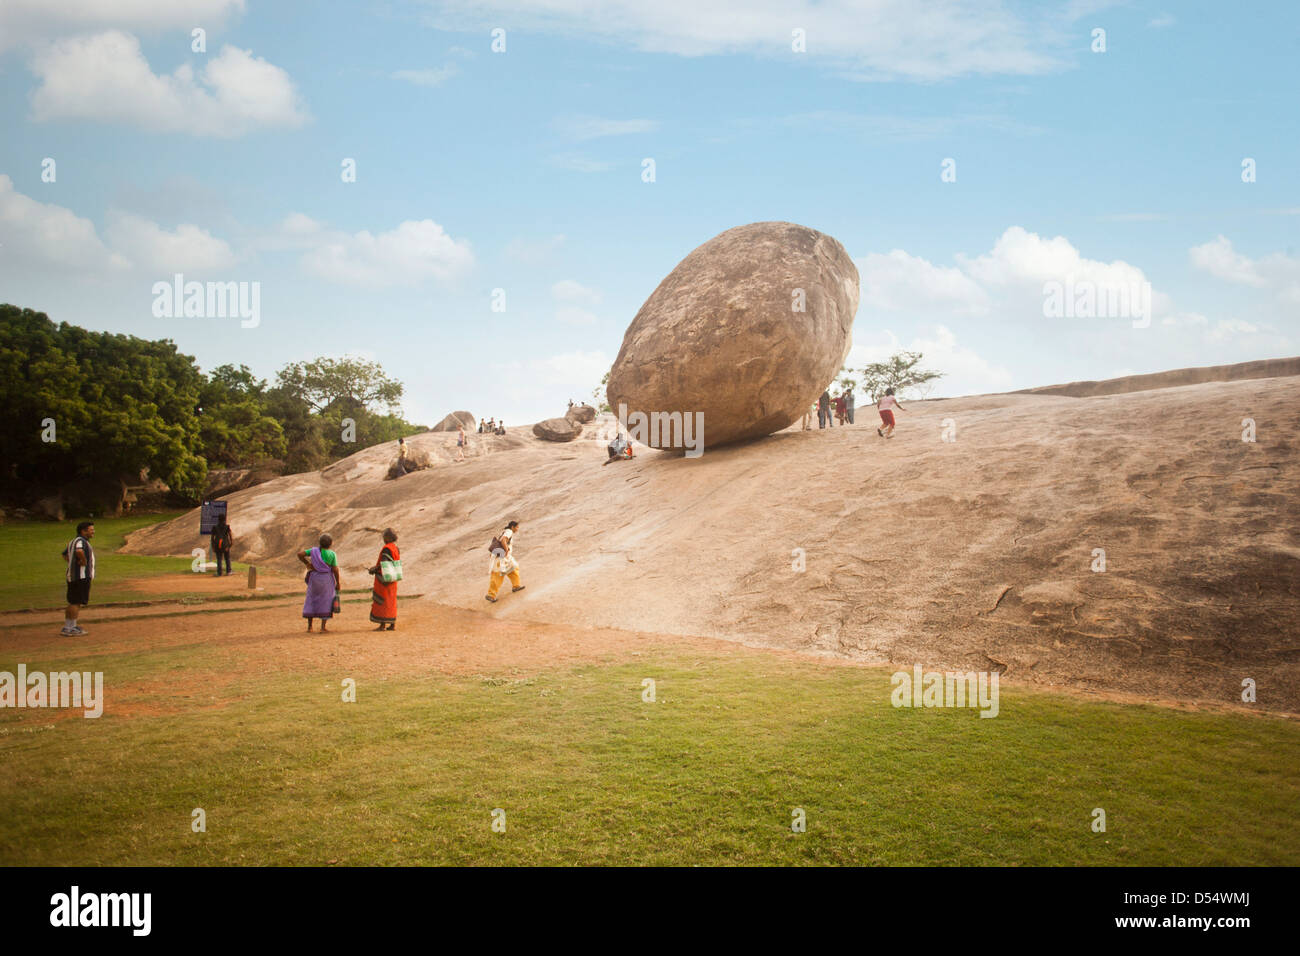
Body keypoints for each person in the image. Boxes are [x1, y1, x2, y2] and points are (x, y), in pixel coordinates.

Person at [297, 533, 341, 632]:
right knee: (326, 601)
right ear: (331, 544)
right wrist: (338, 582)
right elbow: (335, 569)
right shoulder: (332, 554)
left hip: (314, 578)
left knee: (311, 599)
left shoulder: (313, 551)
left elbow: (300, 554)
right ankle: (322, 627)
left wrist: (307, 563)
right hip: (326, 580)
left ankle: (310, 627)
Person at [60, 520, 95, 636]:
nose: (93, 532)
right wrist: (83, 561)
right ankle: (72, 628)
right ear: (83, 531)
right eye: (91, 530)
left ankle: (68, 626)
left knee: (72, 602)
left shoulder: (72, 541)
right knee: (77, 602)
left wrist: (72, 562)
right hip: (81, 576)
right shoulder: (81, 541)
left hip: (73, 576)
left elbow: (65, 554)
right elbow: (79, 551)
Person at [367, 528, 400, 631]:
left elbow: (384, 562)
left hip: (384, 579)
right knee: (391, 601)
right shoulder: (396, 548)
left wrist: (374, 569)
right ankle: (392, 624)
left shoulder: (386, 548)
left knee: (382, 601)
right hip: (393, 578)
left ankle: (382, 625)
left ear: (387, 538)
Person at [485, 520, 524, 603]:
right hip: (502, 558)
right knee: (498, 575)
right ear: (512, 527)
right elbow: (503, 540)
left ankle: (516, 586)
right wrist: (506, 550)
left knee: (513, 568)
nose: (517, 529)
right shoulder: (509, 532)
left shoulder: (506, 531)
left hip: (504, 557)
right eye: (516, 527)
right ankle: (491, 595)